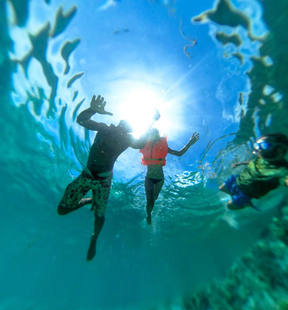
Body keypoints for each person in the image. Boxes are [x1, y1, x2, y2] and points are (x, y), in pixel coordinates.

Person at [57, 95, 160, 261]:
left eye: (128, 124)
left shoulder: (126, 139)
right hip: (87, 175)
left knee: (99, 215)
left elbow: (140, 143)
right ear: (118, 123)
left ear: (128, 129)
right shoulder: (105, 128)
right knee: (62, 210)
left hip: (104, 182)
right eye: (124, 121)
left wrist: (150, 122)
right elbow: (82, 120)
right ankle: (90, 200)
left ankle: (94, 238)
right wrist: (93, 110)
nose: (124, 124)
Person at [139, 128, 200, 224]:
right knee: (149, 200)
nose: (154, 137)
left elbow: (179, 153)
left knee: (154, 198)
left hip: (159, 179)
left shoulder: (163, 147)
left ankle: (150, 208)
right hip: (149, 178)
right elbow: (133, 143)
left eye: (156, 135)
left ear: (158, 136)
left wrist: (190, 143)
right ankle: (148, 214)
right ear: (149, 136)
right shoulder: (144, 144)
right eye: (152, 135)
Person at [219, 133, 288, 210]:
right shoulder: (262, 157)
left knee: (230, 206)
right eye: (257, 145)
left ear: (279, 150)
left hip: (248, 192)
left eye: (264, 145)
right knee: (222, 188)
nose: (258, 148)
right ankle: (236, 195)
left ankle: (245, 203)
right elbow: (253, 162)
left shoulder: (282, 170)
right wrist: (240, 163)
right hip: (239, 179)